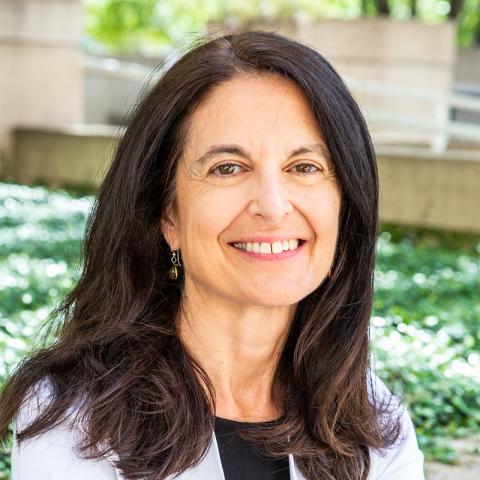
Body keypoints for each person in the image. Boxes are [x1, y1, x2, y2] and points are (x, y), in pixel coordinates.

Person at [0, 30, 425, 480]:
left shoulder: (377, 424)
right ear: (168, 214)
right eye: (228, 168)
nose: (273, 205)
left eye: (305, 167)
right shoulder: (76, 419)